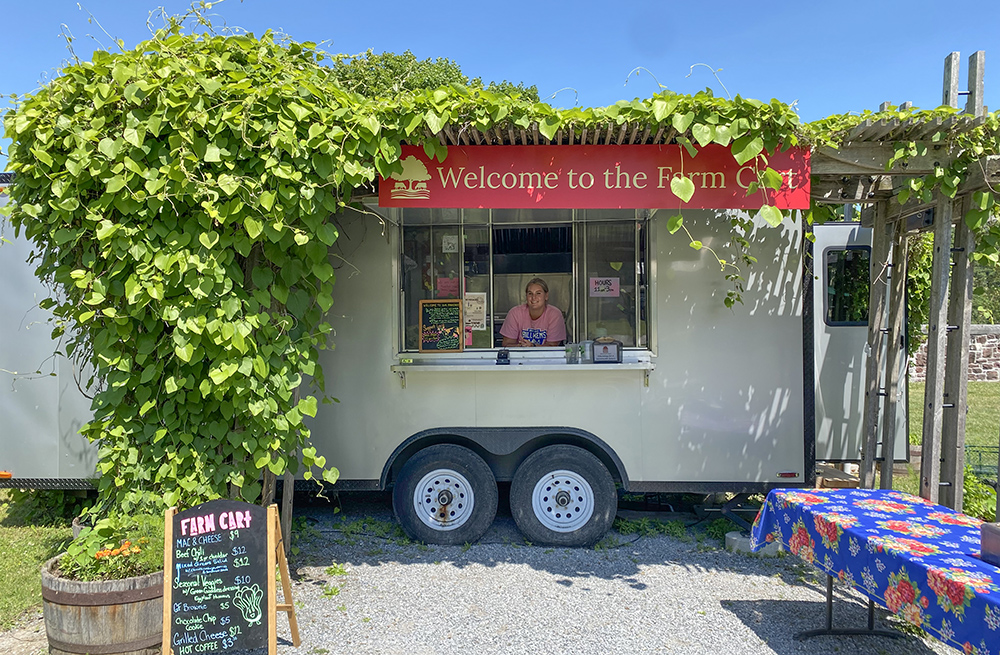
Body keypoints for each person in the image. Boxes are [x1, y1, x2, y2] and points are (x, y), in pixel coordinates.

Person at [500, 277, 566, 347]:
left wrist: (533, 347)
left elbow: (553, 346)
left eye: (538, 293)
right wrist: (522, 347)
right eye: (530, 293)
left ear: (546, 296)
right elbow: (506, 344)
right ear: (526, 296)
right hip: (519, 356)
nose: (534, 297)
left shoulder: (554, 314)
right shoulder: (515, 313)